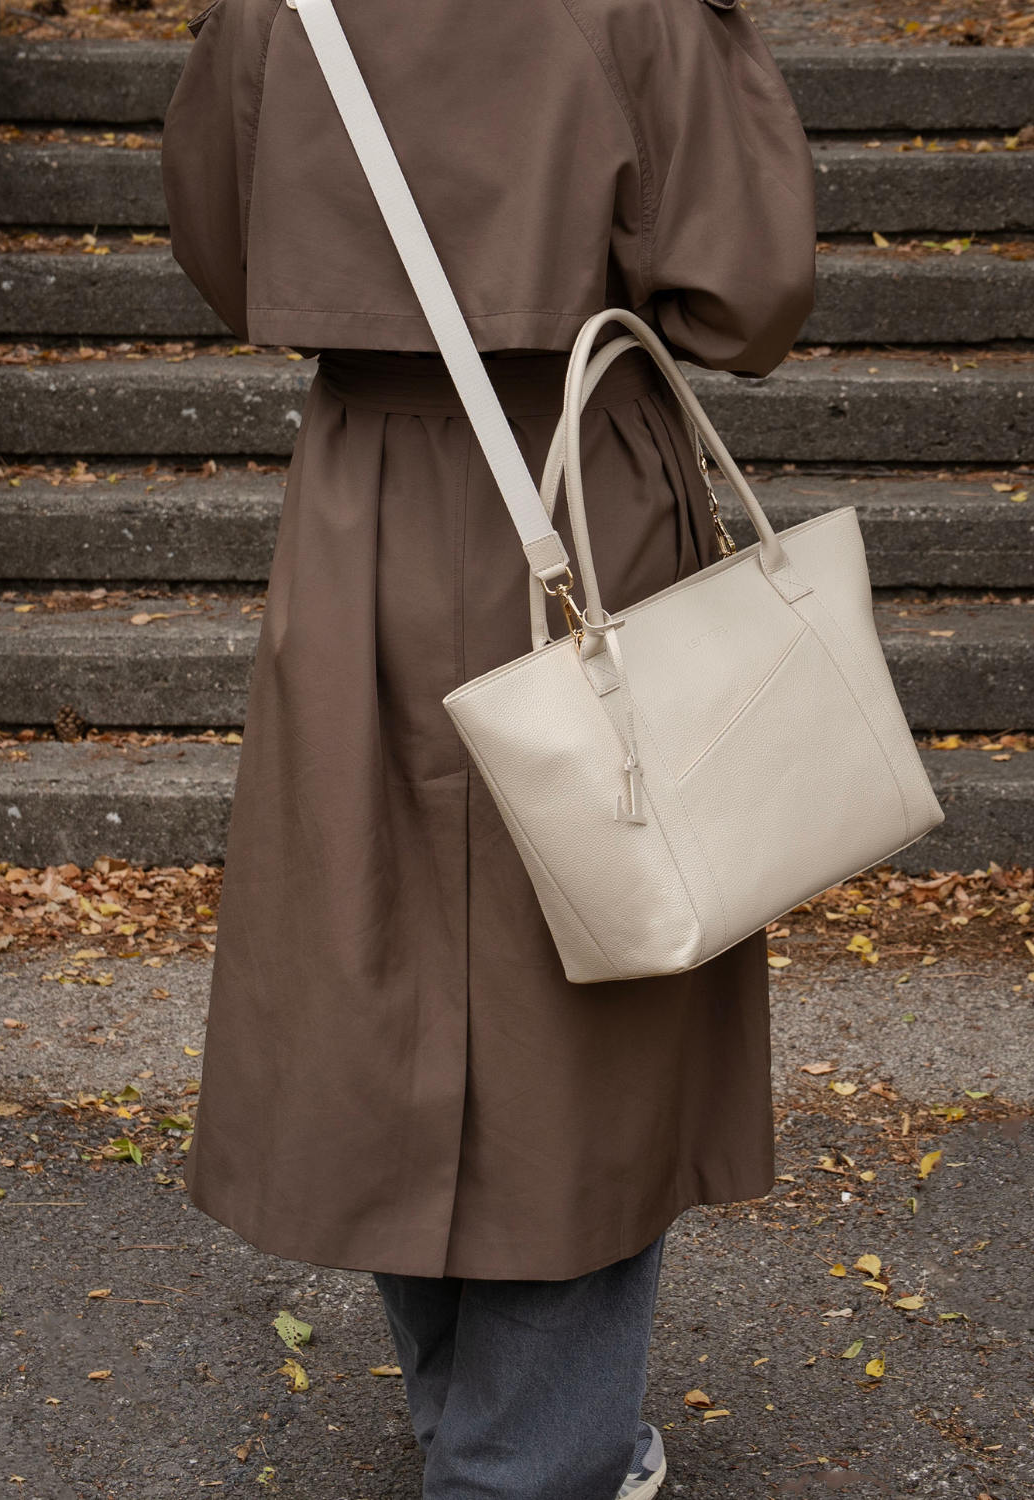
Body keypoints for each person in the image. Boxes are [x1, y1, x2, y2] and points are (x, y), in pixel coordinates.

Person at [162, 1, 815, 1494]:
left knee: (376, 963)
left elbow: (222, 239)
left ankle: (492, 1421)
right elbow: (750, 296)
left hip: (364, 517)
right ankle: (535, 1453)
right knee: (592, 970)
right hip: (579, 493)